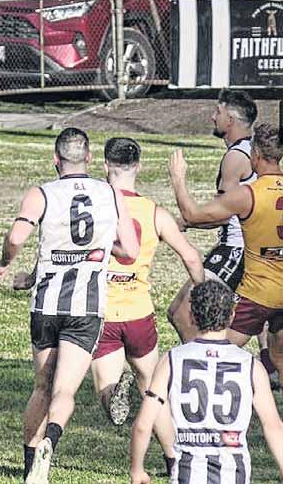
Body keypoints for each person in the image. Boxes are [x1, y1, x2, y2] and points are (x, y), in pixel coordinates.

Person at [0, 128, 140, 484]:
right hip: (86, 308)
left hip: (47, 304)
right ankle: (50, 442)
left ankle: (30, 467)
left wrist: (6, 262)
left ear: (55, 159)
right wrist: (100, 247)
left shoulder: (41, 193)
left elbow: (16, 237)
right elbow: (130, 251)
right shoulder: (110, 193)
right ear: (89, 158)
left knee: (41, 387)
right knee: (64, 391)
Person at [90, 137, 205, 475]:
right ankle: (174, 459)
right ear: (138, 167)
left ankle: (115, 393)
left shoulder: (94, 206)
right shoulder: (156, 213)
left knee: (107, 390)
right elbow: (191, 257)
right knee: (153, 391)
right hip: (139, 314)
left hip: (103, 313)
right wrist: (201, 293)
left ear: (105, 165)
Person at [166, 91, 274, 381]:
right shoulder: (249, 152)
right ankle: (264, 364)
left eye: (218, 111)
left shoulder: (235, 158)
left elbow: (224, 214)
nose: (212, 116)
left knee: (182, 313)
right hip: (242, 246)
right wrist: (188, 223)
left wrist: (180, 187)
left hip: (235, 249)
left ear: (231, 119)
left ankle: (206, 376)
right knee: (182, 310)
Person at [129, 280, 283, 484]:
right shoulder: (252, 366)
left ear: (192, 316)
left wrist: (137, 470)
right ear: (232, 316)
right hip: (234, 475)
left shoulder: (172, 360)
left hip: (186, 474)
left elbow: (143, 425)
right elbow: (273, 425)